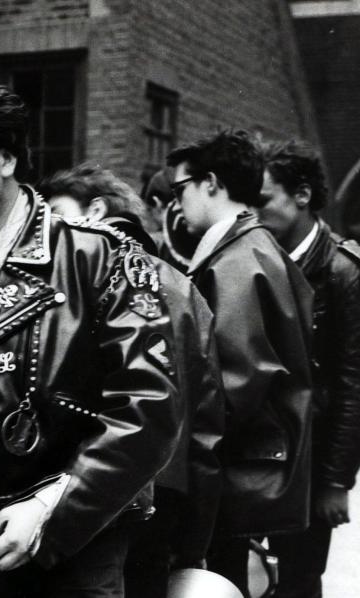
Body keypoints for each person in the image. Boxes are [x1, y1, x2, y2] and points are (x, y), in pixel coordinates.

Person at [0, 74, 182, 598]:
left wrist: (53, 508)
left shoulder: (98, 259)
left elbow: (149, 407)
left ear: (5, 159)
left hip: (69, 544)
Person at [39, 164, 225, 598]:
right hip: (166, 497)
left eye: (55, 213)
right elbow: (207, 425)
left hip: (90, 496)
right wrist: (196, 535)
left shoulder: (76, 285)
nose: (45, 227)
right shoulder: (183, 288)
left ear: (96, 210)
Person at [165, 130, 314, 596]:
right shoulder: (251, 249)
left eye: (179, 189)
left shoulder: (236, 259)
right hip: (246, 470)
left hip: (232, 477)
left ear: (210, 183)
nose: (176, 204)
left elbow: (234, 383)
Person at [256, 140, 360, 598]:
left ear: (301, 195)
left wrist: (336, 482)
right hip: (264, 455)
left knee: (298, 581)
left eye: (264, 199)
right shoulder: (262, 260)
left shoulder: (344, 272)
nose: (254, 212)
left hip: (312, 462)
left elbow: (354, 384)